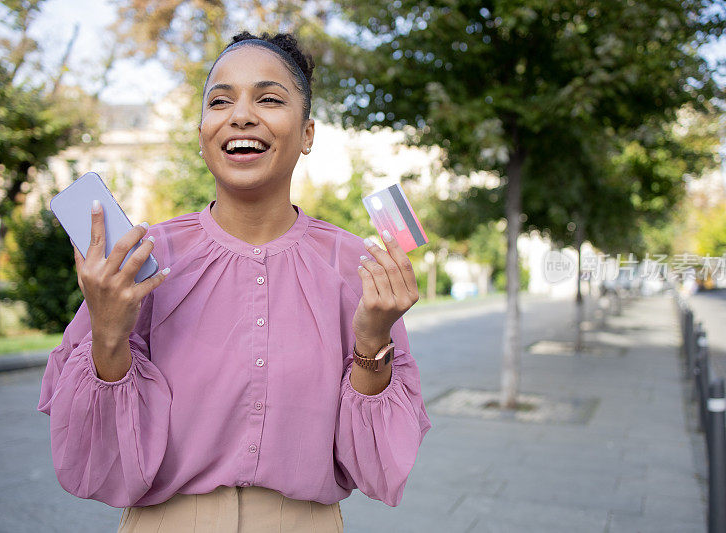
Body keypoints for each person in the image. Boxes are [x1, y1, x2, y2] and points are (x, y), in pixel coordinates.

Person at [37, 30, 432, 532]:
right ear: (203, 132)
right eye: (220, 101)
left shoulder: (357, 265)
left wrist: (373, 343)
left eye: (268, 98)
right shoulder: (139, 259)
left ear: (308, 133)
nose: (240, 115)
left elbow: (375, 468)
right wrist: (108, 331)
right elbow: (94, 459)